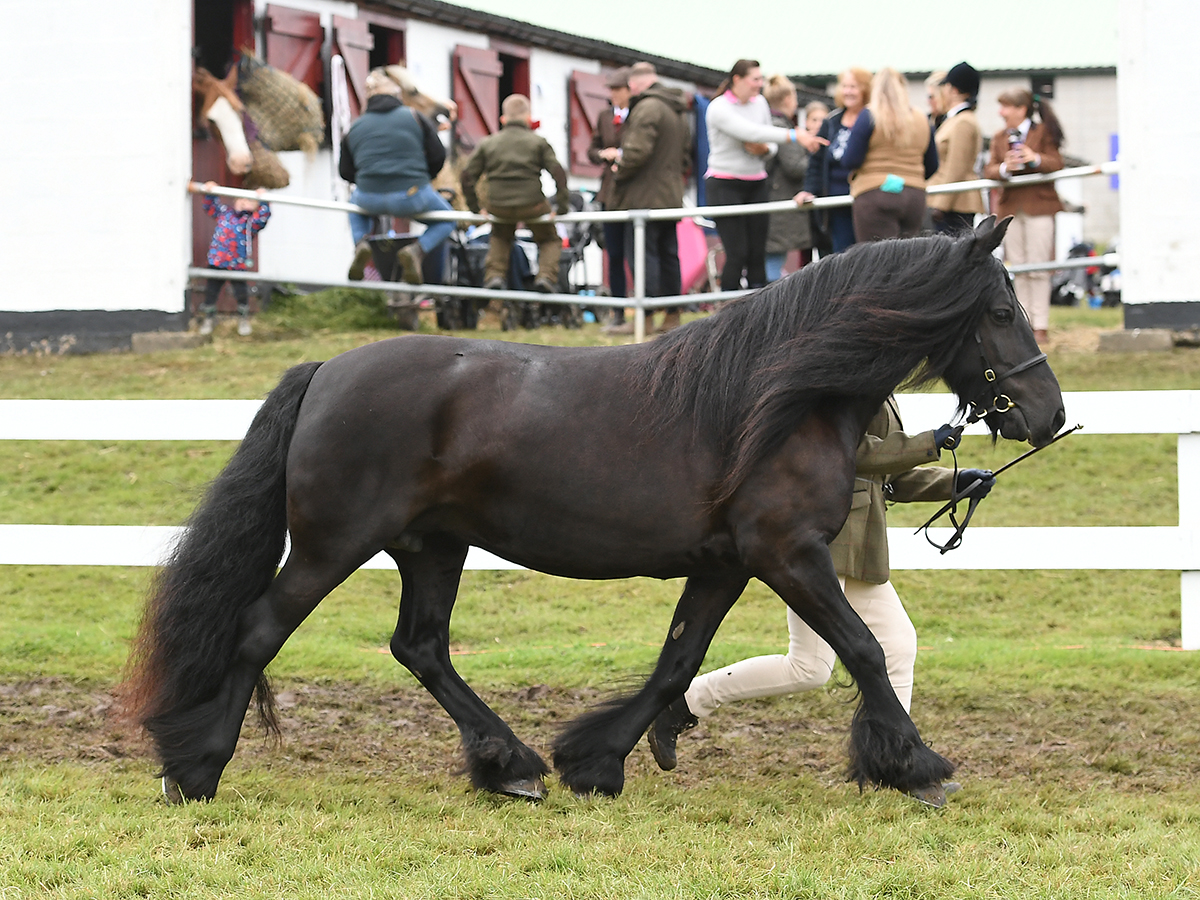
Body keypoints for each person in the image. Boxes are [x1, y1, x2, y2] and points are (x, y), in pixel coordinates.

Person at [647, 398, 996, 806]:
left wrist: (954, 482)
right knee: (809, 667)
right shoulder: (842, 385)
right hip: (820, 548)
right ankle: (685, 703)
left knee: (898, 644)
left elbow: (886, 476)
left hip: (861, 550)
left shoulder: (883, 389)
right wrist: (926, 443)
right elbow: (853, 452)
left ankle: (899, 763)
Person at [704, 60, 825, 291]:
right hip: (724, 185)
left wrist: (765, 149)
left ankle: (757, 314)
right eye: (755, 79)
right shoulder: (718, 107)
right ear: (737, 80)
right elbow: (749, 131)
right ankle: (727, 310)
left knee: (758, 253)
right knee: (737, 253)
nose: (760, 84)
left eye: (761, 78)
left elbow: (768, 144)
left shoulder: (759, 103)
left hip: (757, 183)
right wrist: (794, 135)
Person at [340, 68, 454, 285]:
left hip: (368, 198)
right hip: (411, 195)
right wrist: (422, 180)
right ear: (397, 95)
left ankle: (361, 244)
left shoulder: (355, 127)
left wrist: (370, 182)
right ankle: (417, 251)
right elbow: (439, 155)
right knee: (447, 219)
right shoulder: (414, 117)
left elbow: (345, 172)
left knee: (354, 208)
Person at [460, 93, 569, 294]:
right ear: (528, 118)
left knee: (500, 237)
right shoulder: (538, 142)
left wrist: (475, 208)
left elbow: (467, 176)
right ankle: (545, 276)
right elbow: (558, 173)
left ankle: (495, 276)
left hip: (498, 204)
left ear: (503, 119)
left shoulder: (488, 143)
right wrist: (561, 206)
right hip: (533, 204)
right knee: (549, 239)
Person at [983, 88, 1066, 346]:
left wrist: (1035, 159)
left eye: (1006, 107)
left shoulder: (1043, 132)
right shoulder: (999, 137)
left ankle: (1041, 324)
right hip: (1011, 209)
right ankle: (1025, 322)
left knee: (1038, 265)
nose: (1001, 113)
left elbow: (1057, 163)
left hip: (1039, 207)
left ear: (1021, 109)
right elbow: (989, 169)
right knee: (1018, 266)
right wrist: (1006, 167)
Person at [610, 62, 690, 332]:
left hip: (644, 195)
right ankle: (672, 315)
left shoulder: (647, 107)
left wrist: (618, 172)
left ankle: (644, 318)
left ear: (634, 84)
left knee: (644, 256)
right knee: (669, 255)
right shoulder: (677, 108)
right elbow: (686, 154)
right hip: (671, 193)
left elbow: (636, 152)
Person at [841, 68, 938, 243]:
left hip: (875, 194)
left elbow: (851, 159)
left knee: (877, 261)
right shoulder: (922, 119)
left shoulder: (868, 115)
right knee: (909, 259)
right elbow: (932, 165)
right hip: (914, 197)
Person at [802, 67, 872, 254]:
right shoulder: (831, 121)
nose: (848, 91)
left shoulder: (873, 119)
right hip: (835, 200)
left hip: (865, 198)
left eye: (854, 87)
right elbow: (816, 162)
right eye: (845, 86)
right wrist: (809, 189)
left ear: (865, 89)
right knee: (841, 253)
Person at [763, 78, 820, 281]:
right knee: (774, 260)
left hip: (771, 199)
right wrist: (816, 160)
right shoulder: (783, 129)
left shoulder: (767, 124)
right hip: (780, 203)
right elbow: (794, 167)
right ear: (788, 99)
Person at [588, 68, 632, 328]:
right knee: (614, 254)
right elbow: (591, 150)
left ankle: (645, 309)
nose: (614, 95)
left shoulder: (637, 116)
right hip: (609, 193)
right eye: (612, 90)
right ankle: (618, 311)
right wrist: (604, 154)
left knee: (636, 253)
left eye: (618, 89)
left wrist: (622, 154)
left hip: (632, 191)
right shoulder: (604, 116)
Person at [199, 182, 270, 336]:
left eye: (250, 201)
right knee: (211, 292)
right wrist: (211, 191)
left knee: (241, 293)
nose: (245, 202)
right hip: (217, 262)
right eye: (242, 199)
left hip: (237, 264)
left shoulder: (251, 222)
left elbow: (264, 216)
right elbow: (210, 206)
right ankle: (209, 318)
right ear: (234, 201)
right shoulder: (225, 213)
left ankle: (243, 319)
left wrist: (264, 199)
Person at [926, 63, 985, 236]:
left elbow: (956, 168)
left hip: (955, 204)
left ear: (952, 89)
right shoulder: (953, 120)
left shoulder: (963, 122)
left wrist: (941, 205)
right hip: (949, 201)